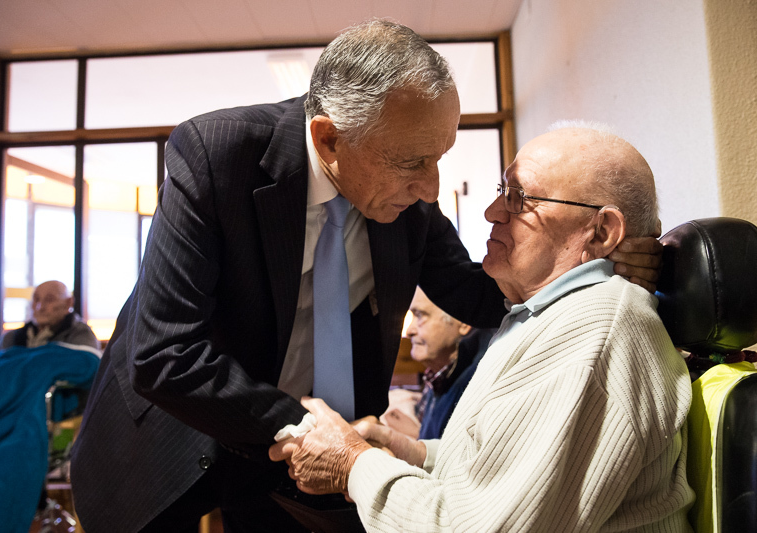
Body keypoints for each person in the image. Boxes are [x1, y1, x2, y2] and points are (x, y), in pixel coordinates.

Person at [70, 19, 662, 533]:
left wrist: (609, 263)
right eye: (413, 164)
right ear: (330, 139)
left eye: (440, 157)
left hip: (310, 457)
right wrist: (317, 435)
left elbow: (484, 294)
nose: (432, 189)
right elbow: (165, 353)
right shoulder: (216, 153)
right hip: (174, 432)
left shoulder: (407, 197)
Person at [270, 123, 694, 532]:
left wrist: (353, 463)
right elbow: (502, 476)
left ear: (601, 232)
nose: (492, 212)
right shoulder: (548, 315)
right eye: (500, 192)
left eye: (519, 198)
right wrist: (414, 453)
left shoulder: (593, 333)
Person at [381, 287, 494, 439]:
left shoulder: (477, 385)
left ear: (462, 323)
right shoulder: (440, 373)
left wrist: (417, 439)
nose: (409, 331)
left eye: (420, 315)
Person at [0, 280, 99, 355]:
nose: (40, 307)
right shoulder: (13, 337)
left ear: (68, 303)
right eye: (36, 299)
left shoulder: (81, 336)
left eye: (49, 300)